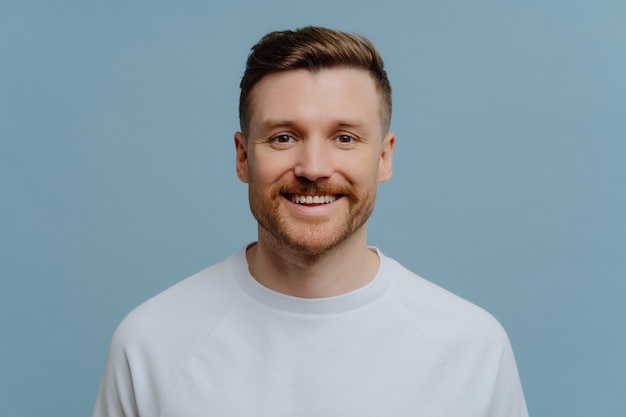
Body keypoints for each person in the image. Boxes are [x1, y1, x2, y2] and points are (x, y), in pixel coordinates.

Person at [93, 26, 528, 417]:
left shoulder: (472, 348)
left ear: (383, 157)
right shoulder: (150, 344)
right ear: (244, 157)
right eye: (284, 137)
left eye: (344, 138)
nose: (314, 167)